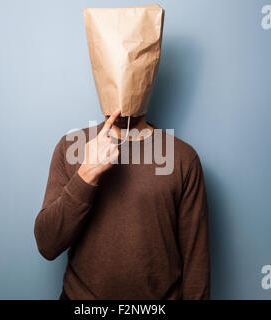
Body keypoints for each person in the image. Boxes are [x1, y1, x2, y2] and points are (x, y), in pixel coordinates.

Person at [34, 108, 210, 300]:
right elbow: (47, 245)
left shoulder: (183, 157)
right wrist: (87, 174)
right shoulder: (71, 147)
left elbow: (196, 261)